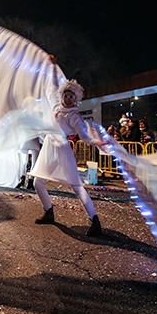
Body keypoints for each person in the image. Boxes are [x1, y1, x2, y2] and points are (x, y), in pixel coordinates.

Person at [32, 56, 107, 237]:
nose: (67, 98)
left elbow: (83, 135)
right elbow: (51, 86)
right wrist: (53, 66)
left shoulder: (74, 116)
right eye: (65, 95)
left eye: (71, 96)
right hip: (49, 146)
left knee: (76, 186)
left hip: (62, 148)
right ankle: (48, 211)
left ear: (76, 98)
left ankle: (95, 220)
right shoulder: (57, 106)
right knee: (37, 182)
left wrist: (96, 142)